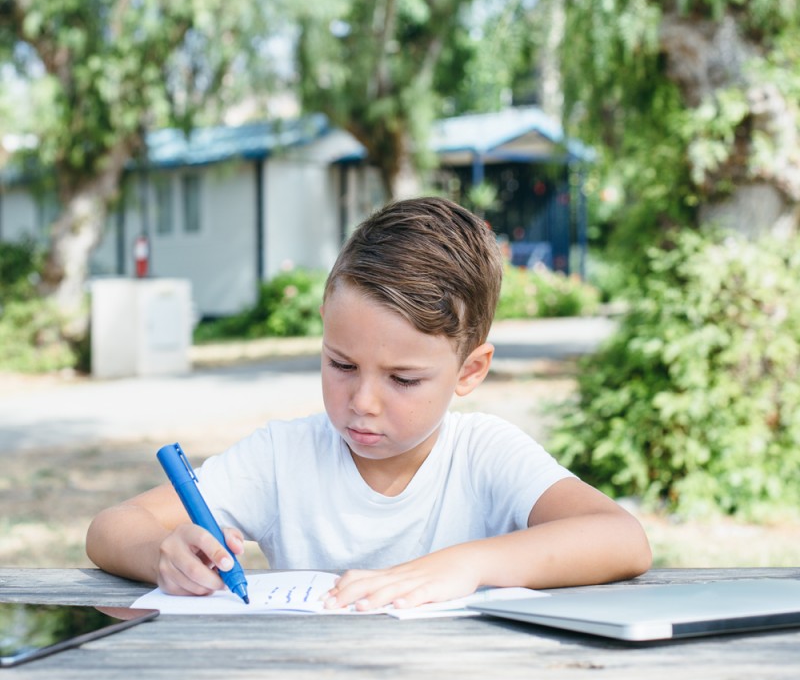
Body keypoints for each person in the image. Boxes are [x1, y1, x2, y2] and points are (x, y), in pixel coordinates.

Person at [86, 196, 651, 610]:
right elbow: (112, 528)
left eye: (403, 379)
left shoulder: (484, 454)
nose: (363, 402)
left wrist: (464, 565)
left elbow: (621, 539)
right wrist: (164, 552)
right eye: (341, 365)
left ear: (470, 370)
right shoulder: (284, 456)